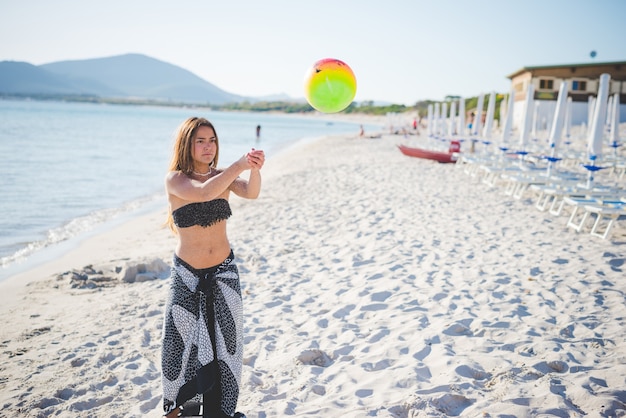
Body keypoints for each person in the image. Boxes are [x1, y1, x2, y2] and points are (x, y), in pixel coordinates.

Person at [161, 116, 264, 418]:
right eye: (201, 141)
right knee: (178, 344)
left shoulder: (223, 177)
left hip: (224, 273)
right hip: (186, 275)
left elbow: (252, 192)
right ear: (187, 144)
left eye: (213, 140)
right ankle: (177, 410)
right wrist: (240, 164)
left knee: (227, 345)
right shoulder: (176, 179)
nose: (208, 147)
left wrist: (254, 170)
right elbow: (203, 192)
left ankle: (220, 412)